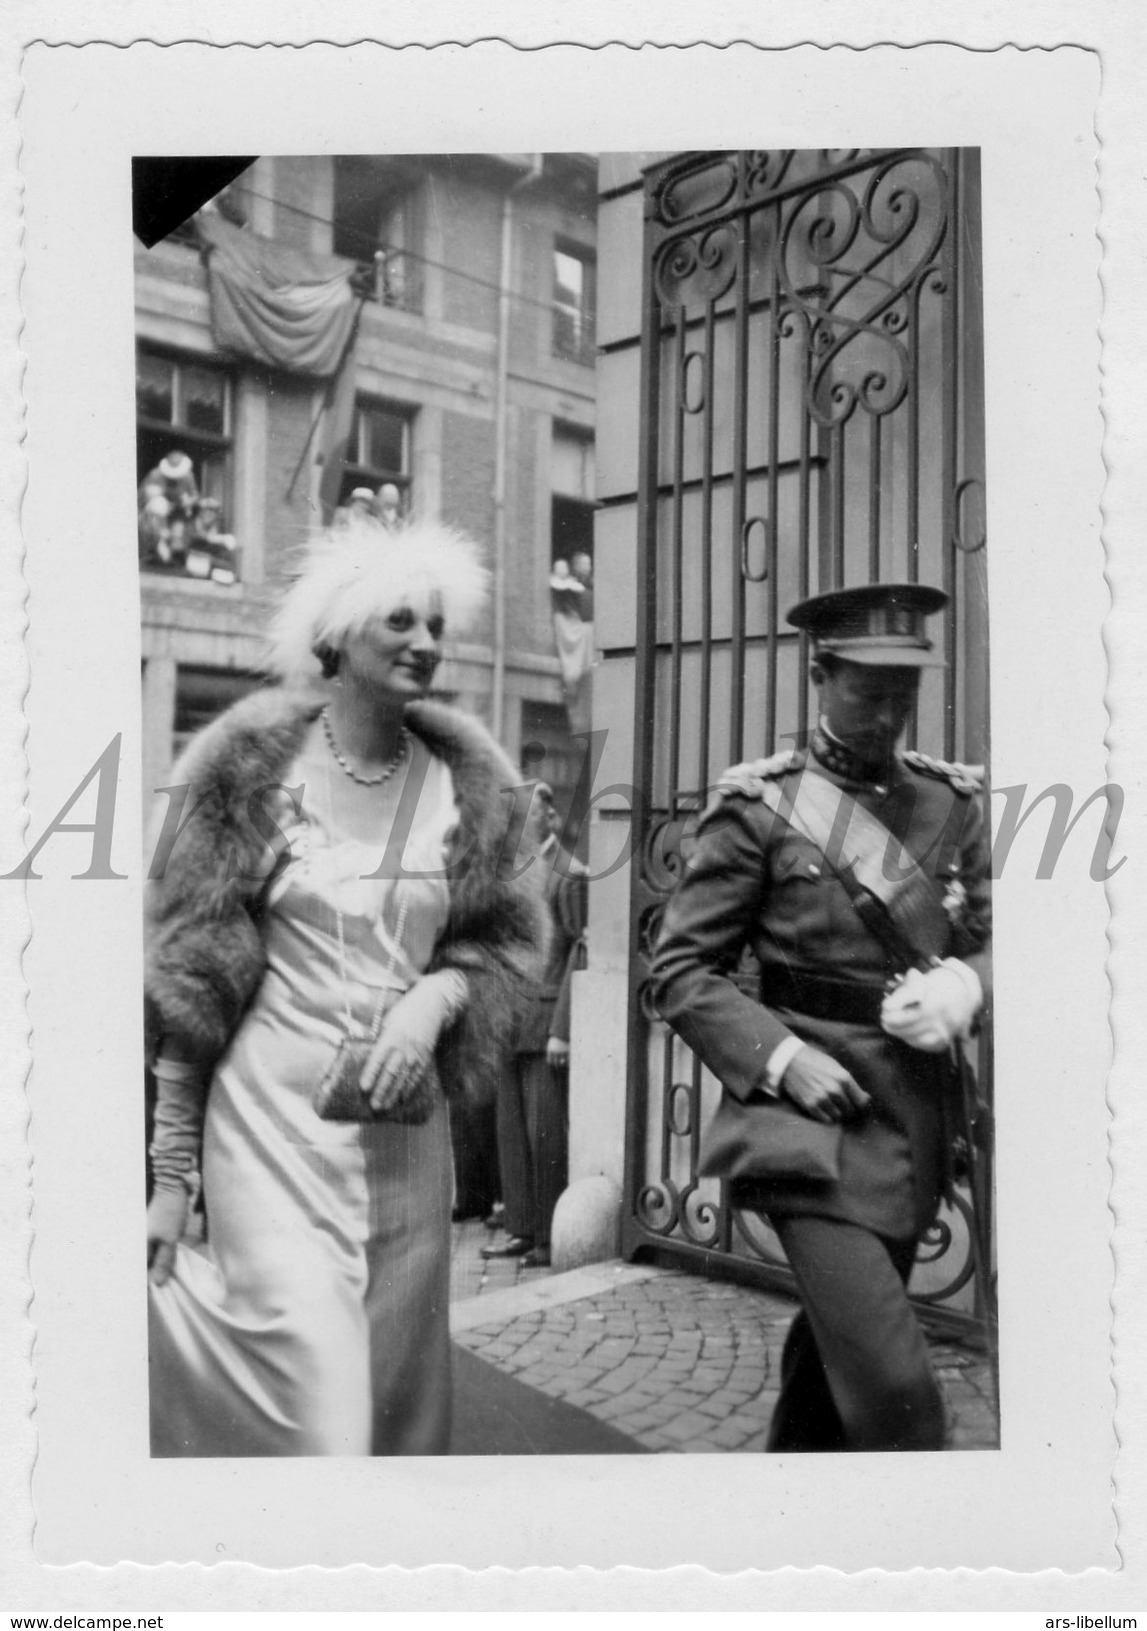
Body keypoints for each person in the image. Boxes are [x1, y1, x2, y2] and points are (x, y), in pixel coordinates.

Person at [144, 515, 548, 1457]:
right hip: (267, 1133)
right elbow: (190, 990)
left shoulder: (469, 780)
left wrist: (434, 1000)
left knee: (399, 1416)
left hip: (406, 1132)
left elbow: (502, 941)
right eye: (400, 621)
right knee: (321, 1414)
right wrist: (170, 1177)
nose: (426, 643)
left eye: (435, 624)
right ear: (337, 638)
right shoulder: (246, 771)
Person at [651, 582, 991, 1452]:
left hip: (910, 1125)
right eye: (866, 689)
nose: (886, 713)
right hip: (806, 1131)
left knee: (825, 1379)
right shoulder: (760, 808)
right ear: (819, 674)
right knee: (895, 1394)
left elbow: (1002, 938)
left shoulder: (950, 805)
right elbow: (682, 968)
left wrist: (968, 985)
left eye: (902, 692)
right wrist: (780, 1057)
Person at [482, 782, 588, 1268]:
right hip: (510, 1018)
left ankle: (548, 1236)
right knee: (512, 1131)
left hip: (546, 1021)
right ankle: (521, 1228)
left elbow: (579, 952)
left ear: (549, 815)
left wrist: (563, 1027)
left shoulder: (569, 875)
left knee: (545, 1133)